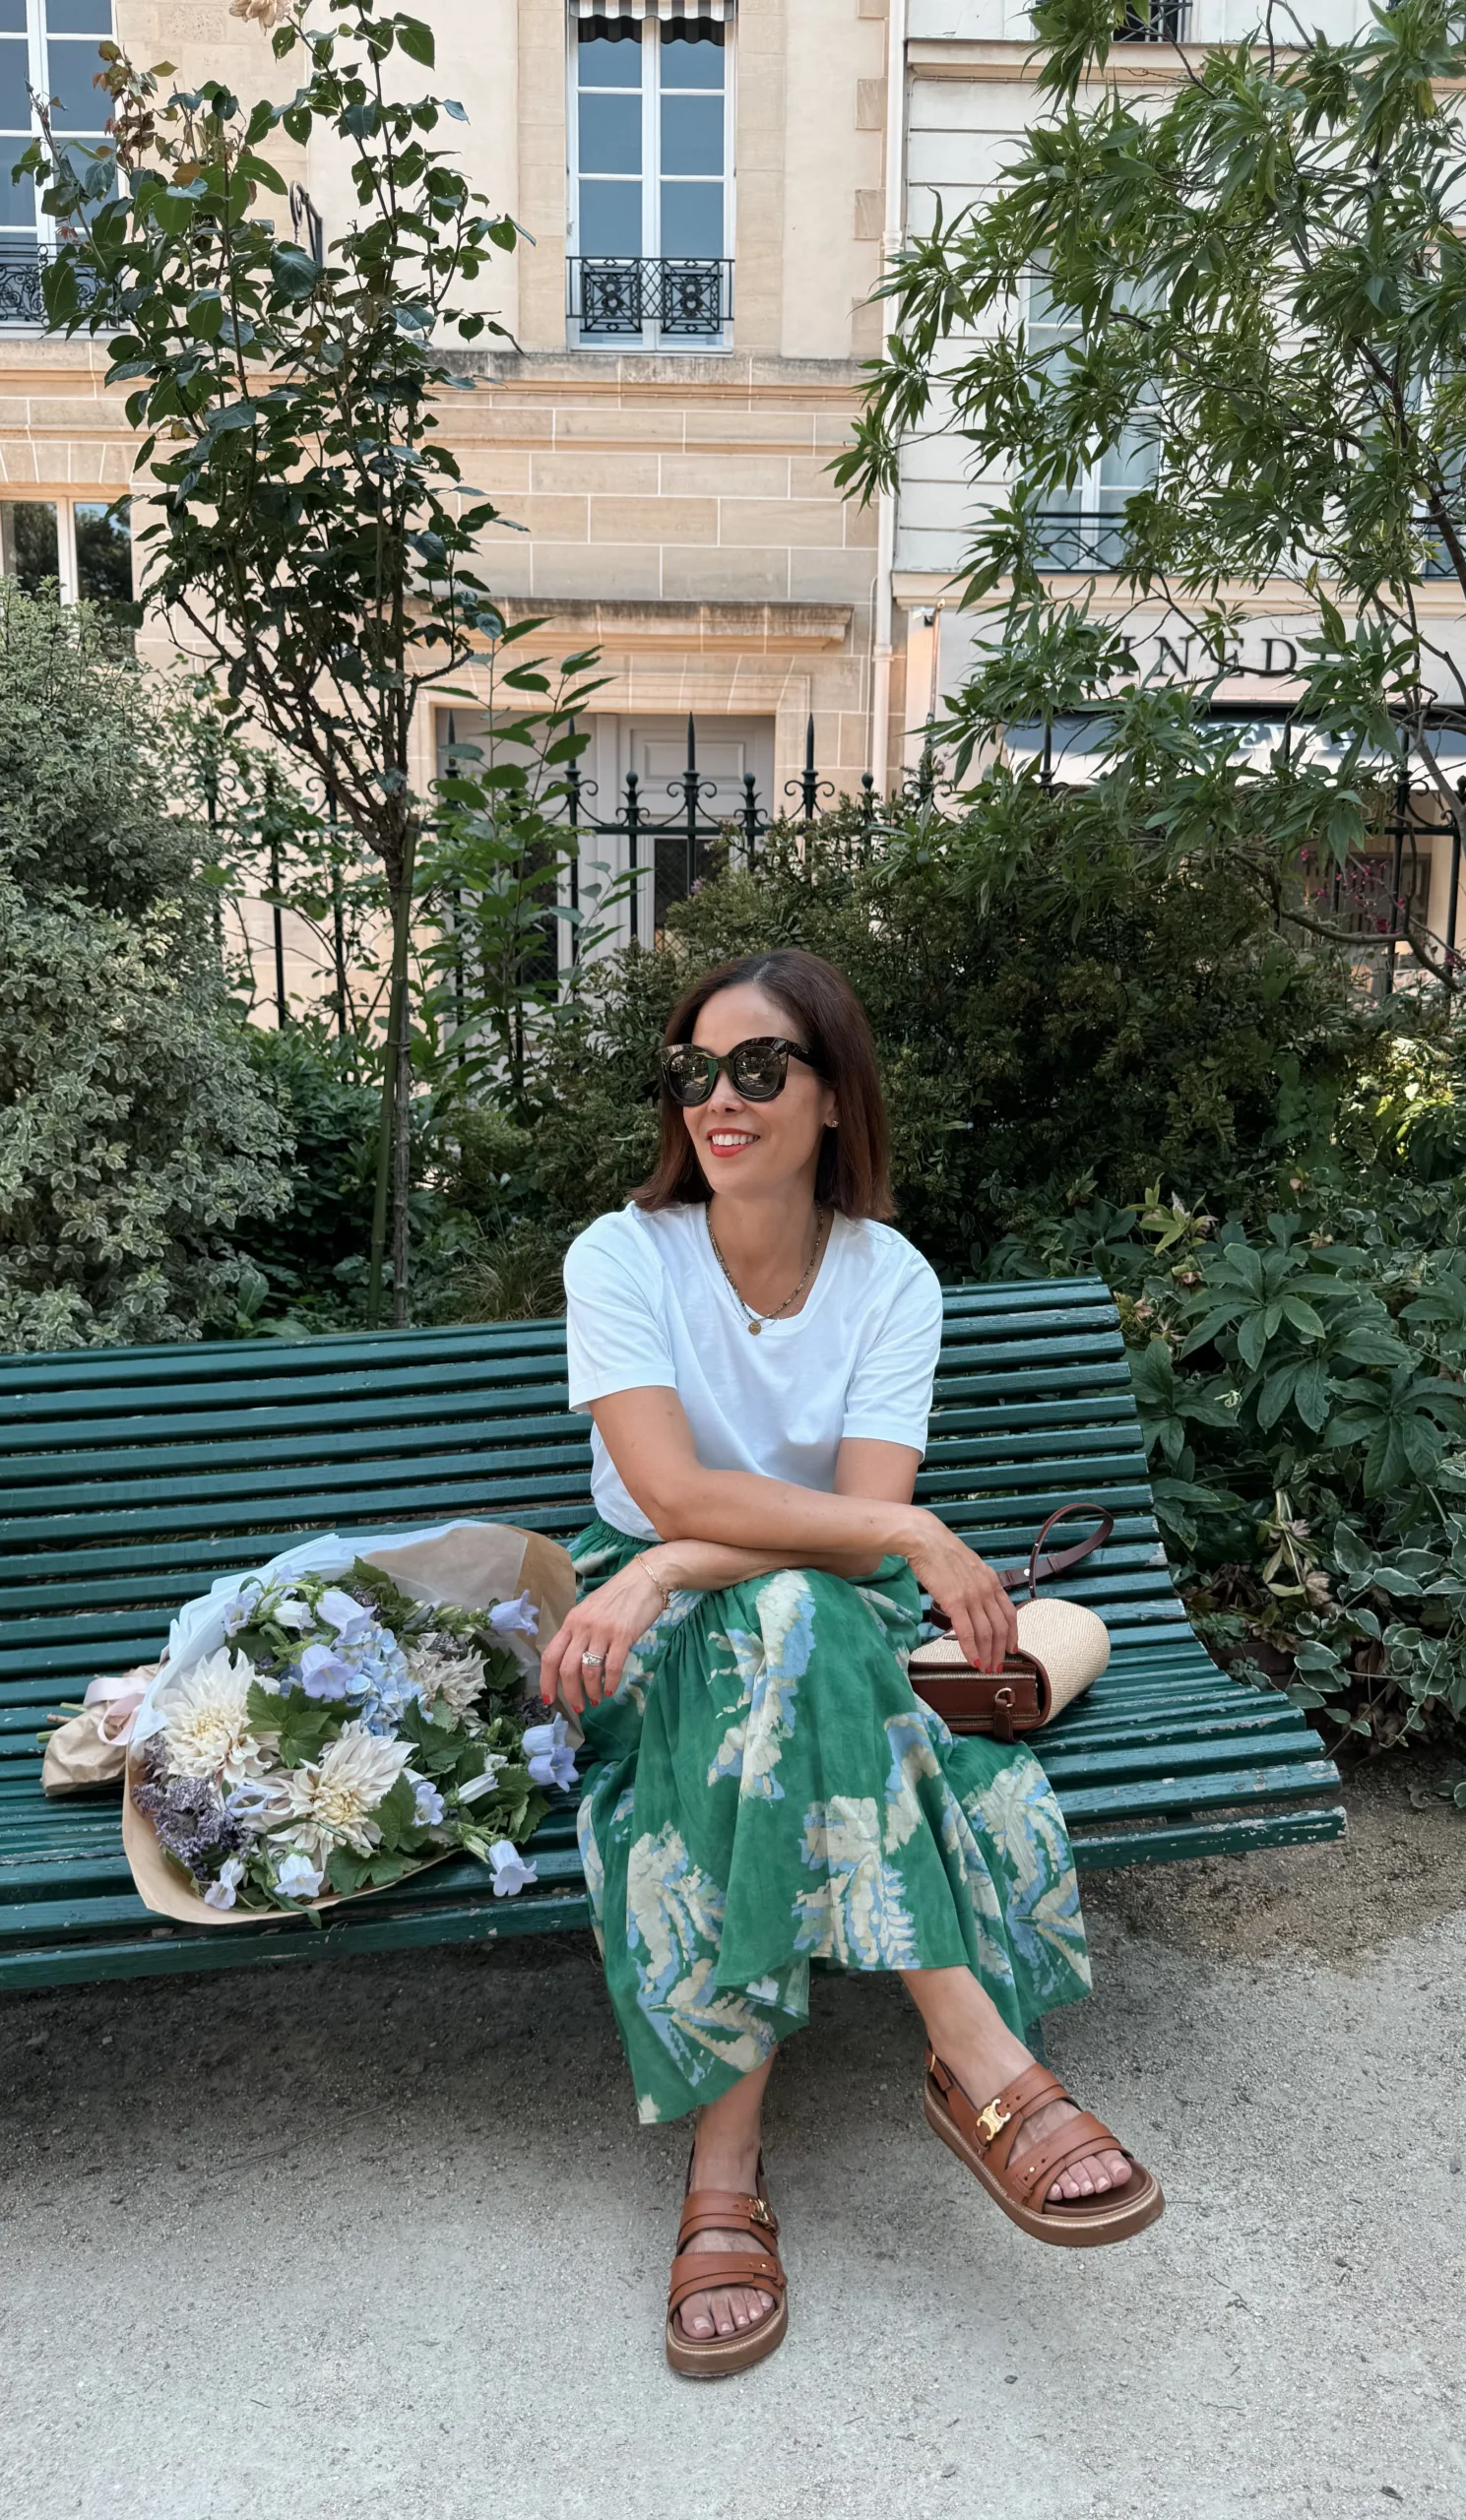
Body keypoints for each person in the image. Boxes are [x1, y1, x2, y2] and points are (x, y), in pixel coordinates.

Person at [540, 948, 1163, 2379]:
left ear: (833, 1097)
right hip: (647, 1635)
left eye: (760, 1068)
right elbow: (687, 1490)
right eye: (695, 1071)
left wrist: (678, 1561)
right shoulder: (621, 1255)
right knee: (790, 1632)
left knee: (802, 1630)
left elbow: (810, 1543)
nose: (720, 1099)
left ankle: (726, 2165)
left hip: (762, 1597)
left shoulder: (891, 1280)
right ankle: (977, 2054)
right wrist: (829, 1534)